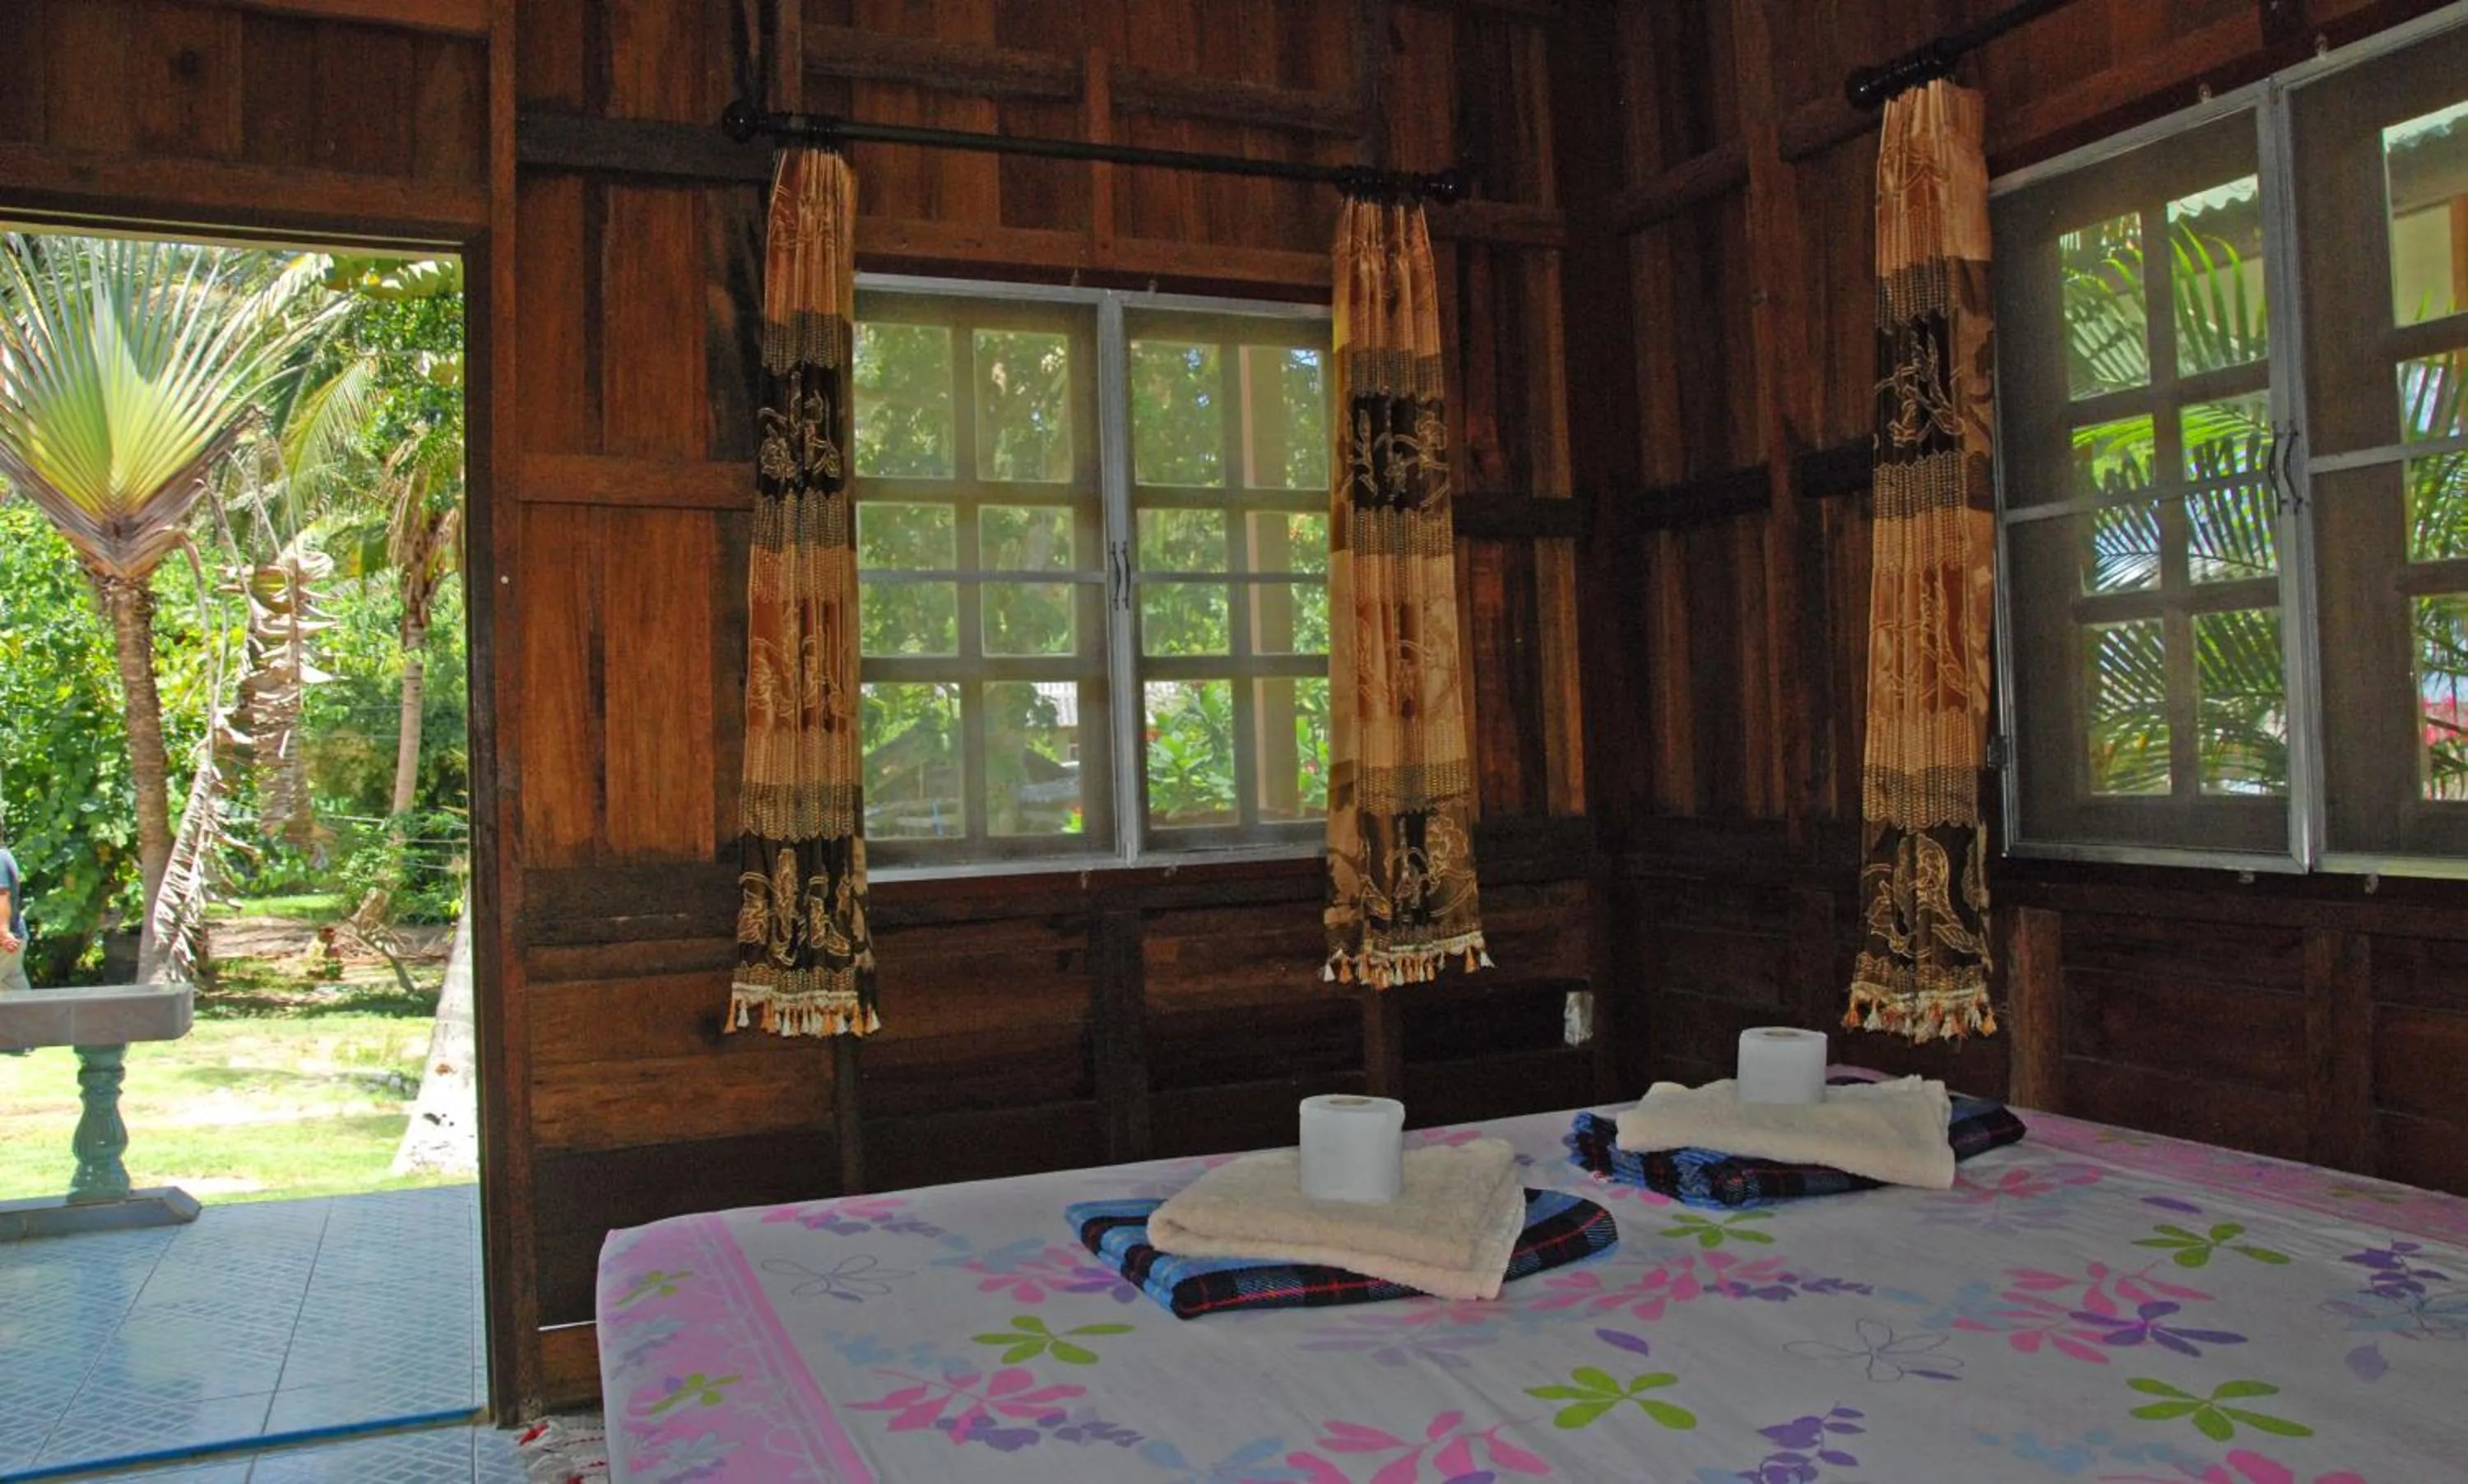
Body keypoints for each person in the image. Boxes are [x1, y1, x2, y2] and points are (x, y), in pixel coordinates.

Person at [0, 819, 30, 995]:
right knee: (13, 991)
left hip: (5, 942)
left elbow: (2, 894)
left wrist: (3, 932)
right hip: (10, 940)